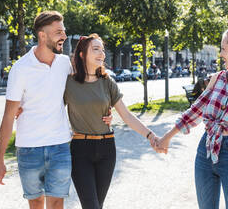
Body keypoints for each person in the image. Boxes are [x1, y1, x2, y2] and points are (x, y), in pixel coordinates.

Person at [0, 11, 112, 209]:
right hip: (29, 148)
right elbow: (7, 117)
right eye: (58, 32)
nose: (64, 36)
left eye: (63, 32)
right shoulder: (21, 68)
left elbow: (87, 86)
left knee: (57, 202)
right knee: (36, 203)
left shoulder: (65, 63)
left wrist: (106, 109)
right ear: (42, 35)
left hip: (60, 146)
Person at [157, 24, 228, 209]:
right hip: (205, 152)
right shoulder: (217, 78)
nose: (220, 54)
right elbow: (195, 111)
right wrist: (166, 138)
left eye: (223, 49)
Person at [64, 34, 159, 209]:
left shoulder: (108, 83)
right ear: (82, 54)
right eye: (95, 49)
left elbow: (127, 115)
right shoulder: (69, 83)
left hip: (107, 149)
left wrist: (150, 135)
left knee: (97, 205)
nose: (102, 54)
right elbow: (52, 108)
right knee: (91, 206)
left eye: (102, 50)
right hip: (80, 150)